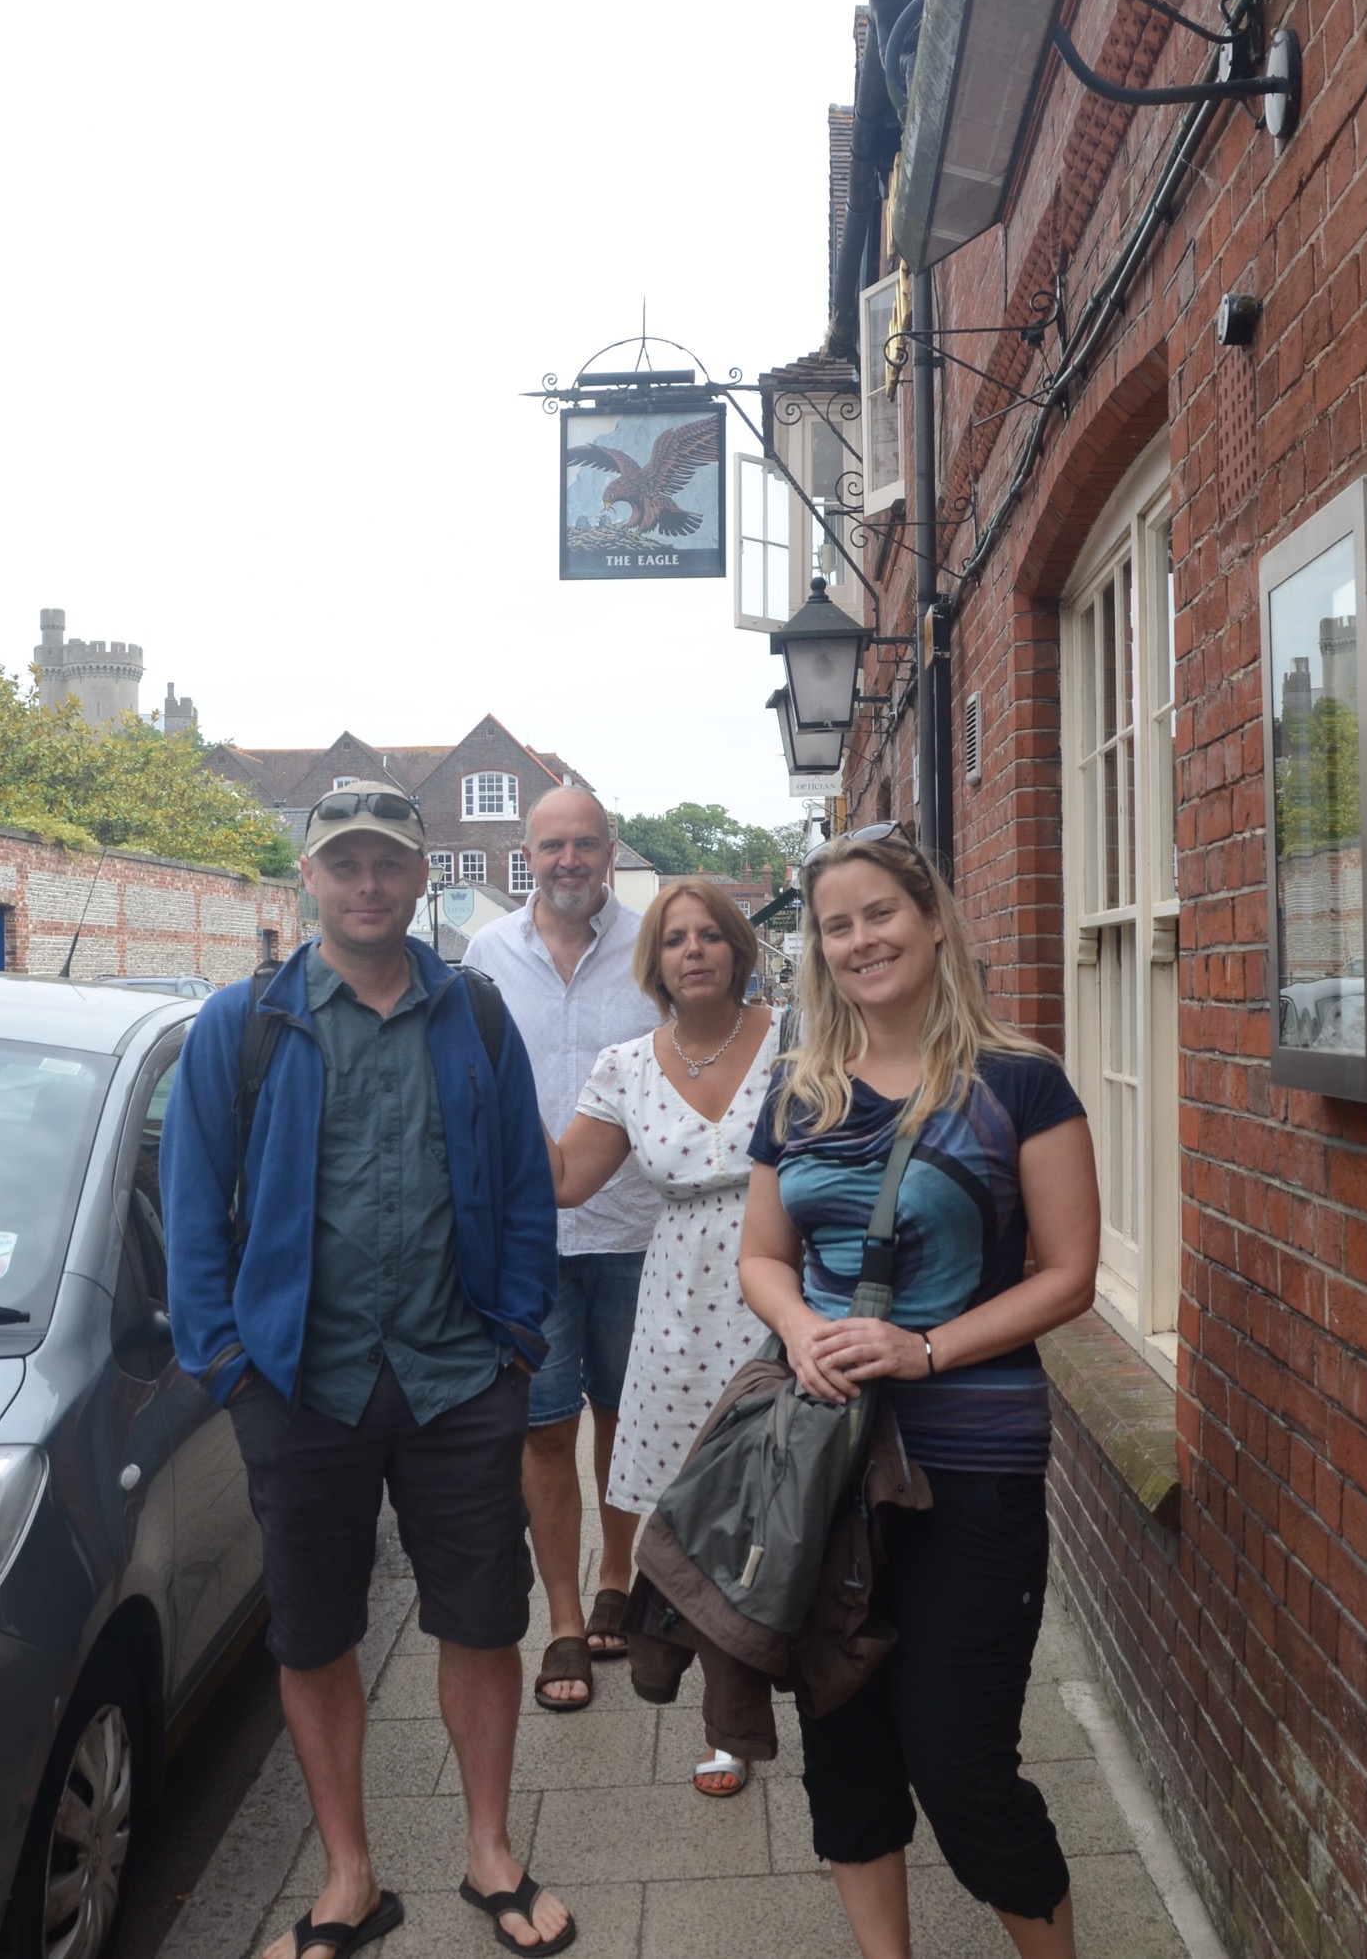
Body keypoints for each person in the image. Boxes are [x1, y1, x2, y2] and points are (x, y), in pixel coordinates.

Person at [163, 778, 577, 1959]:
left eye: (388, 862)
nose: (367, 884)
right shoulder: (241, 1026)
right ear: (308, 877)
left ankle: (489, 1849)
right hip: (301, 1386)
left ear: (422, 873)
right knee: (313, 1634)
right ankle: (349, 1875)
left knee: (481, 1621)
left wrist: (516, 1342)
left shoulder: (475, 1016)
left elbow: (524, 1188)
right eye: (344, 863)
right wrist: (231, 1367)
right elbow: (192, 1217)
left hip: (459, 1377)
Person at [738, 824, 1100, 1959]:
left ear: (934, 921)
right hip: (826, 1464)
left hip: (970, 1467)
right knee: (843, 1746)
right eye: (836, 926)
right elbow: (762, 1256)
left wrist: (925, 1349)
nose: (860, 940)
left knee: (962, 1764)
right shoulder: (798, 1092)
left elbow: (1069, 1275)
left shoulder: (1019, 1082)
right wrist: (802, 1329)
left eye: (880, 914)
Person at [546, 881, 783, 1797]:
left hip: (786, 1286)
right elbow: (566, 1178)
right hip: (682, 1306)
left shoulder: (797, 1040)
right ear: (655, 962)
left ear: (737, 949)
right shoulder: (626, 1066)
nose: (694, 950)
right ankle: (730, 1724)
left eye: (710, 934)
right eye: (676, 938)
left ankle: (825, 1675)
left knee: (794, 1495)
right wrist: (490, 1089)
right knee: (702, 1512)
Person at [464, 785, 660, 1710]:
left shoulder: (653, 947)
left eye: (585, 843)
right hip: (528, 1234)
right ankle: (565, 1617)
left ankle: (618, 1570)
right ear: (527, 855)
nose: (569, 860)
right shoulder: (486, 956)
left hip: (637, 1226)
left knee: (624, 1413)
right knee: (544, 1428)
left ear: (609, 849)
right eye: (552, 846)